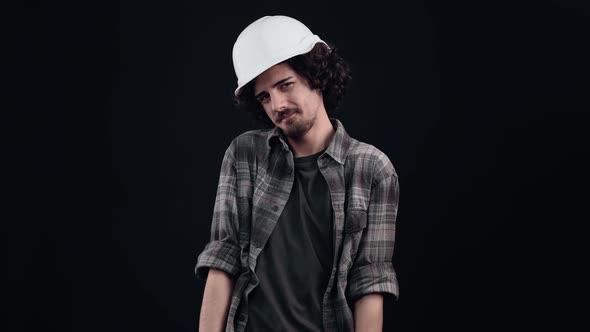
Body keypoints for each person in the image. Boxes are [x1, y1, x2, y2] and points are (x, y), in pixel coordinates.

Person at [195, 15, 400, 332]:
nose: (277, 104)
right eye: (264, 96)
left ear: (317, 75)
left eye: (284, 85)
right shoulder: (244, 155)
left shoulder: (372, 168)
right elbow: (223, 258)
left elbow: (370, 280)